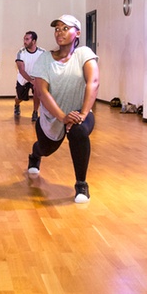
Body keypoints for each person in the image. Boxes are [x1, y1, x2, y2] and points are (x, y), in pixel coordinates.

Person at [26, 15, 99, 204]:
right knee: (46, 148)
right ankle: (34, 156)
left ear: (78, 33)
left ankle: (81, 185)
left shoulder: (84, 54)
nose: (60, 32)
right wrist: (62, 117)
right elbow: (41, 91)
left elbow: (93, 82)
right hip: (52, 117)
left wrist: (82, 113)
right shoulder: (45, 59)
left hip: (78, 113)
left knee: (79, 132)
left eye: (65, 28)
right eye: (57, 28)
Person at [14, 31, 45, 122]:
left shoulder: (42, 52)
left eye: (27, 39)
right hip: (23, 79)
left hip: (36, 78)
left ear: (34, 41)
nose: (25, 41)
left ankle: (35, 112)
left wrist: (37, 80)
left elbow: (45, 67)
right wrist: (31, 80)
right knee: (20, 97)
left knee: (37, 93)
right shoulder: (21, 52)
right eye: (24, 39)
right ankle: (16, 105)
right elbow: (21, 70)